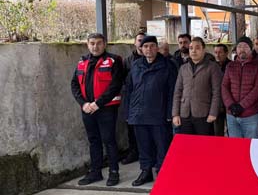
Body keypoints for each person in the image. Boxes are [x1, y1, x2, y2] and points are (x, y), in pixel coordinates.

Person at [71, 33, 125, 186]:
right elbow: (74, 84)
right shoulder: (82, 61)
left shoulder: (114, 60)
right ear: (87, 45)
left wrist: (97, 104)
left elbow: (115, 86)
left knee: (109, 140)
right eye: (92, 43)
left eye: (99, 43)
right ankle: (95, 172)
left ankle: (113, 172)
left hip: (106, 109)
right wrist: (83, 104)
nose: (95, 46)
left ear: (105, 44)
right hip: (87, 109)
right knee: (93, 140)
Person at [123, 36, 178, 186]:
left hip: (159, 113)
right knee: (143, 146)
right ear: (141, 49)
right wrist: (128, 112)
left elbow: (172, 91)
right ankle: (146, 171)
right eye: (145, 46)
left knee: (162, 145)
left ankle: (162, 171)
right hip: (138, 113)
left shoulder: (167, 65)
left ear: (157, 48)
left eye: (152, 46)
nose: (149, 49)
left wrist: (170, 113)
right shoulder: (136, 65)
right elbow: (129, 89)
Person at [172, 37, 222, 136]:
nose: (193, 51)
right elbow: (178, 91)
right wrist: (175, 114)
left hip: (204, 114)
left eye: (197, 48)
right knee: (187, 144)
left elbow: (217, 91)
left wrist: (213, 113)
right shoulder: (183, 68)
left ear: (204, 50)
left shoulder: (212, 67)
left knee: (204, 144)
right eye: (191, 48)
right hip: (185, 113)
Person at [221, 37, 258, 139]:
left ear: (251, 49)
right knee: (235, 146)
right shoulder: (230, 66)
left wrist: (241, 106)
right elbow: (224, 86)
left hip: (251, 115)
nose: (242, 49)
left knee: (251, 145)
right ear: (236, 49)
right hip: (231, 114)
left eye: (245, 46)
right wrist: (231, 105)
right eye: (239, 46)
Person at [121, 32, 145, 164]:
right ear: (135, 43)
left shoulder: (152, 58)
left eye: (144, 40)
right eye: (139, 40)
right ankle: (134, 152)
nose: (141, 43)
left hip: (148, 100)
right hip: (132, 99)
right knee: (131, 128)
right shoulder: (128, 61)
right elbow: (122, 79)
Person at [213, 43, 231, 136]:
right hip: (217, 104)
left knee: (231, 131)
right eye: (215, 52)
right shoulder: (212, 66)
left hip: (229, 103)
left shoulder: (232, 65)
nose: (217, 55)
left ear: (226, 53)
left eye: (220, 52)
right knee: (217, 131)